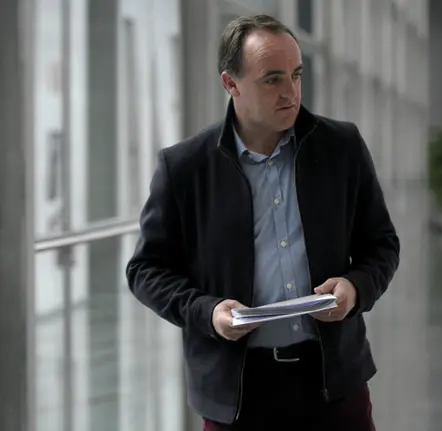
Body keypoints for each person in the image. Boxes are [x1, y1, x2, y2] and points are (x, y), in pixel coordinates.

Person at [125, 14, 399, 430]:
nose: (290, 92)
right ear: (230, 84)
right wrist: (206, 310)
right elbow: (145, 270)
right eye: (272, 79)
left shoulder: (340, 148)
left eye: (296, 74)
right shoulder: (185, 167)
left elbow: (381, 244)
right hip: (236, 394)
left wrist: (355, 288)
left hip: (333, 384)